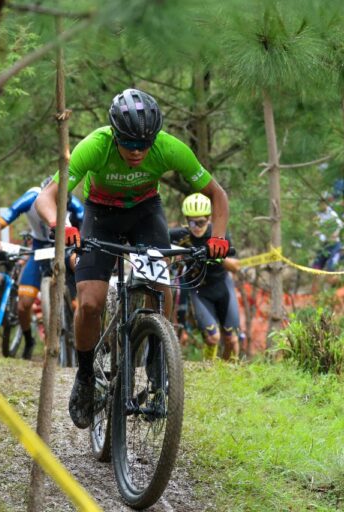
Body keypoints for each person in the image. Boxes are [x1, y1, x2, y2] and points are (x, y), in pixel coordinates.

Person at [35, 88, 231, 429]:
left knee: (161, 284)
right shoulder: (96, 145)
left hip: (145, 213)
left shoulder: (169, 147)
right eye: (129, 143)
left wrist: (218, 237)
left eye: (145, 143)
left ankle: (159, 359)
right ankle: (84, 375)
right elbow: (47, 196)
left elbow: (218, 194)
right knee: (91, 302)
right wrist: (60, 224)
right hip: (101, 214)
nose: (138, 151)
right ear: (114, 134)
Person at [0, 178, 83, 360]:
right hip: (39, 247)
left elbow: (86, 226)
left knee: (78, 293)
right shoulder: (30, 198)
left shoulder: (73, 203)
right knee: (24, 304)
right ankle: (29, 340)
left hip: (64, 245)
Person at [170, 193, 241, 361]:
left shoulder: (218, 233)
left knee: (231, 338)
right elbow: (157, 238)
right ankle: (210, 370)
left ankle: (229, 372)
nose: (196, 226)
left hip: (222, 285)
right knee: (212, 338)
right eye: (191, 222)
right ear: (186, 220)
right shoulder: (181, 235)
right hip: (199, 290)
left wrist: (215, 255)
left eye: (201, 221)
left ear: (209, 219)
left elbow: (236, 267)